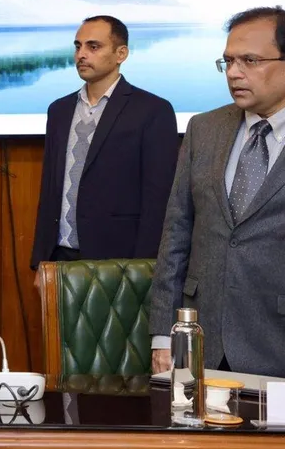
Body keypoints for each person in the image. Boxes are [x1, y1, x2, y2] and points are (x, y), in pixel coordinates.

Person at [150, 6, 285, 379]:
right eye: (229, 61)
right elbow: (176, 235)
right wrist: (161, 336)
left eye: (250, 60)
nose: (234, 73)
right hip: (202, 346)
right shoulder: (204, 129)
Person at [30, 15, 179, 269]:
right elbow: (49, 190)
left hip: (120, 260)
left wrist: (145, 268)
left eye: (93, 46)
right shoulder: (59, 110)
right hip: (59, 257)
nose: (81, 55)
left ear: (121, 53)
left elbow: (158, 201)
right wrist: (40, 261)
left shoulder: (153, 110)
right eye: (78, 46)